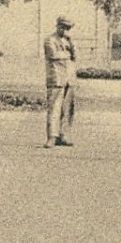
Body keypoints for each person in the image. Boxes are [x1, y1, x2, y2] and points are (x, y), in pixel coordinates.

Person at [44, 15, 77, 147]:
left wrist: (72, 45)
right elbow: (53, 55)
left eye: (68, 28)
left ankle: (64, 135)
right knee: (54, 108)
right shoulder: (49, 40)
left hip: (69, 78)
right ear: (58, 26)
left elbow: (75, 57)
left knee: (68, 109)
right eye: (64, 27)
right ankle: (52, 136)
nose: (66, 30)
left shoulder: (69, 41)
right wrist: (68, 54)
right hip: (56, 78)